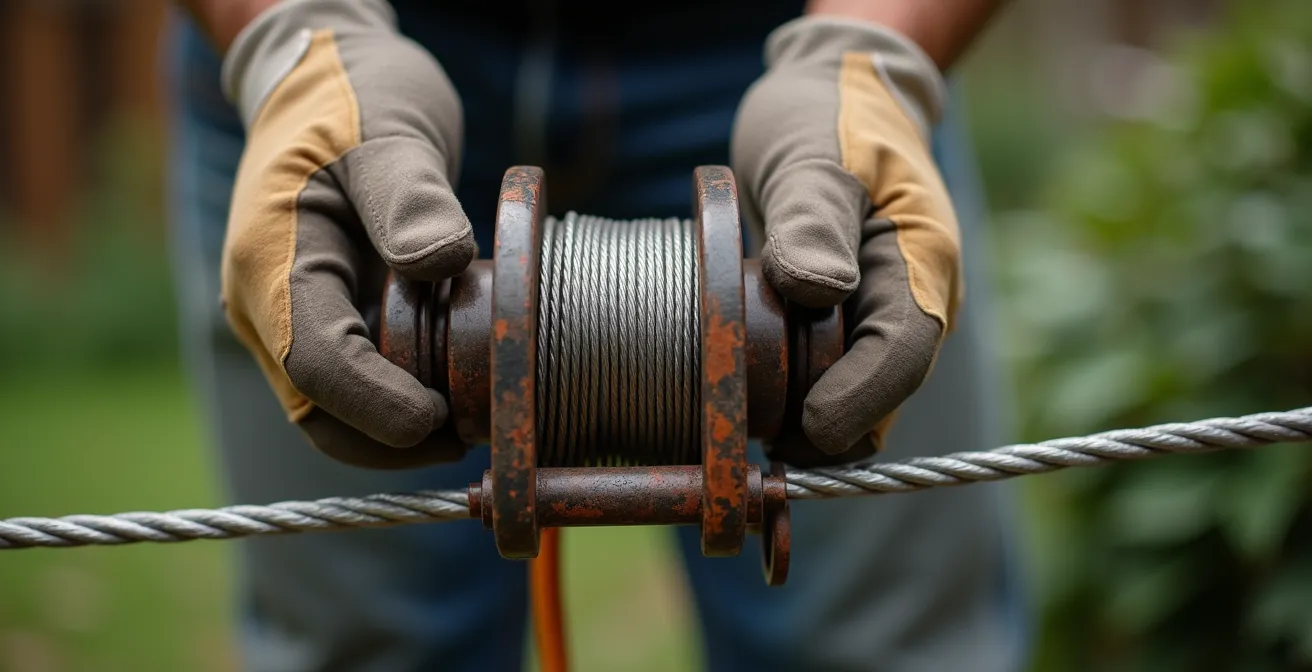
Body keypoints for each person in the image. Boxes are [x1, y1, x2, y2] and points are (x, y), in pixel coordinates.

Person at [167, 0, 1025, 669]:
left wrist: (872, 59)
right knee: (365, 656)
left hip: (801, 71)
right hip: (357, 82)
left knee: (878, 654)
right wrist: (292, 44)